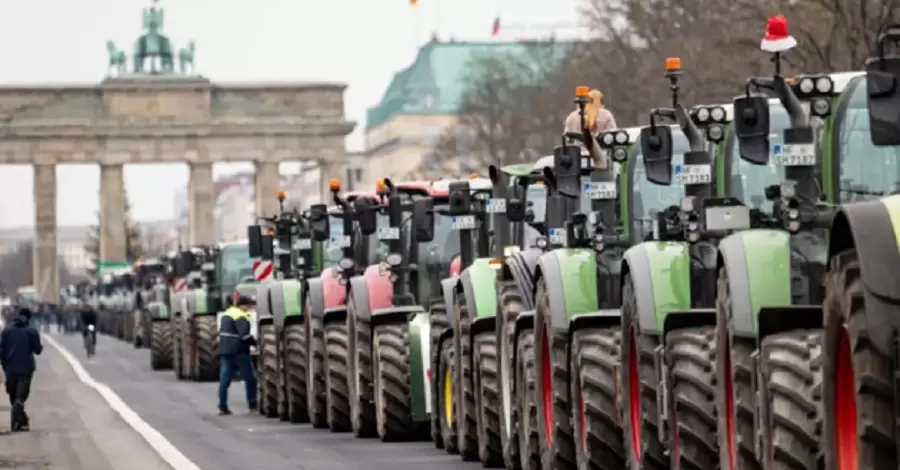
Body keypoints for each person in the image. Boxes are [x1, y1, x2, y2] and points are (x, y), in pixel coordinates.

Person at [0, 307, 43, 431]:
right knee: (21, 396)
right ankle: (19, 420)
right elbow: (37, 349)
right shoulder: (31, 331)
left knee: (13, 395)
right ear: (29, 318)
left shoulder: (7, 330)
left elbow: (1, 350)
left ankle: (19, 421)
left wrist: (4, 363)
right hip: (26, 367)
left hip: (10, 367)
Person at [217, 294, 258, 415]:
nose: (249, 308)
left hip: (225, 350)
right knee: (250, 378)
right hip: (239, 351)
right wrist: (256, 343)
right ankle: (252, 404)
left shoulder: (227, 313)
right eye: (249, 306)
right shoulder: (241, 316)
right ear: (244, 305)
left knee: (224, 380)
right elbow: (244, 336)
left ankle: (223, 405)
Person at [564, 89, 618, 169]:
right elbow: (613, 137)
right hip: (601, 162)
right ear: (601, 102)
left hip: (578, 161)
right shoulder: (606, 115)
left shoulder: (572, 117)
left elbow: (567, 139)